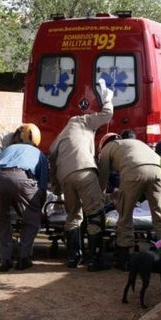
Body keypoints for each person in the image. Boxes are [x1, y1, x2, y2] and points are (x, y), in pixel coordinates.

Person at [48, 79, 114, 271]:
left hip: (65, 176)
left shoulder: (62, 134)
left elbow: (52, 156)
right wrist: (107, 98)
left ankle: (73, 257)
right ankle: (94, 259)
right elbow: (107, 115)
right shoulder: (82, 120)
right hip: (84, 171)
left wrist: (56, 186)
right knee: (94, 213)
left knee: (73, 215)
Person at [98, 134, 161, 270]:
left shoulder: (107, 149)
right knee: (160, 215)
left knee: (125, 216)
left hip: (134, 170)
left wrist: (100, 195)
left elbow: (103, 177)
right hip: (158, 169)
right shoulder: (134, 143)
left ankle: (124, 259)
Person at [0, 124, 48, 272]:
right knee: (31, 219)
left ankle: (5, 260)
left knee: (2, 218)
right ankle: (23, 258)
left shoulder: (8, 149)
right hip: (22, 178)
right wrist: (37, 207)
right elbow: (42, 185)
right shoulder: (39, 154)